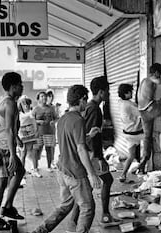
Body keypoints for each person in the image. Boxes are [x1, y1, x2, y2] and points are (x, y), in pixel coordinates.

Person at [31, 85, 101, 233]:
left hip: (62, 171)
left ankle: (40, 230)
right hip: (75, 172)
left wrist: (89, 135)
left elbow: (71, 140)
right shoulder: (78, 120)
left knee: (65, 206)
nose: (86, 104)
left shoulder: (63, 118)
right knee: (88, 208)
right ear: (82, 99)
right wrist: (92, 174)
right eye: (85, 100)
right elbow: (80, 148)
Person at [70, 76, 120, 226]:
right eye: (107, 91)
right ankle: (105, 216)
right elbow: (92, 135)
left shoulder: (91, 107)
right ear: (101, 92)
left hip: (90, 152)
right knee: (106, 181)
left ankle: (73, 219)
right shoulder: (94, 109)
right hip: (92, 154)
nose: (109, 94)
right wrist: (99, 157)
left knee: (88, 188)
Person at [0, 72, 26, 230]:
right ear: (13, 86)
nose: (22, 87)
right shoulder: (10, 103)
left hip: (0, 144)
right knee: (2, 181)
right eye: (20, 84)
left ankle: (8, 206)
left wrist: (16, 137)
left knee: (19, 171)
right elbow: (9, 130)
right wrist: (12, 154)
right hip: (3, 147)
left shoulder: (2, 101)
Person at [137, 63, 161, 174]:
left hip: (143, 112)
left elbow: (145, 98)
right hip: (151, 109)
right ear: (157, 72)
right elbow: (160, 82)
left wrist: (158, 102)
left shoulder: (144, 80)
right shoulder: (153, 79)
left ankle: (143, 162)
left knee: (147, 137)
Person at [117, 84, 143, 182]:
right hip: (135, 133)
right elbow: (142, 113)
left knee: (131, 155)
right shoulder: (129, 104)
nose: (132, 93)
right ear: (126, 93)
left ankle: (123, 175)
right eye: (130, 91)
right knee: (154, 138)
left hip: (127, 133)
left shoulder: (120, 102)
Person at [31, 92, 56, 174]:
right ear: (38, 98)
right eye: (42, 96)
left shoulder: (51, 108)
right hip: (38, 132)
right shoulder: (35, 109)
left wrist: (53, 122)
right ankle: (35, 168)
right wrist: (38, 121)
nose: (44, 98)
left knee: (49, 149)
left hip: (49, 132)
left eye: (45, 96)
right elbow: (31, 120)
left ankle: (49, 166)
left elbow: (56, 118)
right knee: (36, 150)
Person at [17, 96, 39, 176]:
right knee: (23, 154)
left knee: (34, 153)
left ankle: (35, 169)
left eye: (28, 104)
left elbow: (35, 123)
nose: (26, 106)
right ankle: (22, 172)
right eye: (24, 104)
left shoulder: (32, 113)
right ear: (21, 105)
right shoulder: (19, 114)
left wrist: (37, 132)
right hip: (22, 137)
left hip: (32, 136)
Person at [45, 90, 59, 169]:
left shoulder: (54, 107)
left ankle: (52, 161)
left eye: (52, 96)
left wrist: (54, 121)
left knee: (52, 146)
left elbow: (57, 117)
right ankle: (48, 164)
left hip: (52, 129)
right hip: (44, 130)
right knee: (47, 147)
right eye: (49, 96)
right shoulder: (43, 107)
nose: (51, 98)